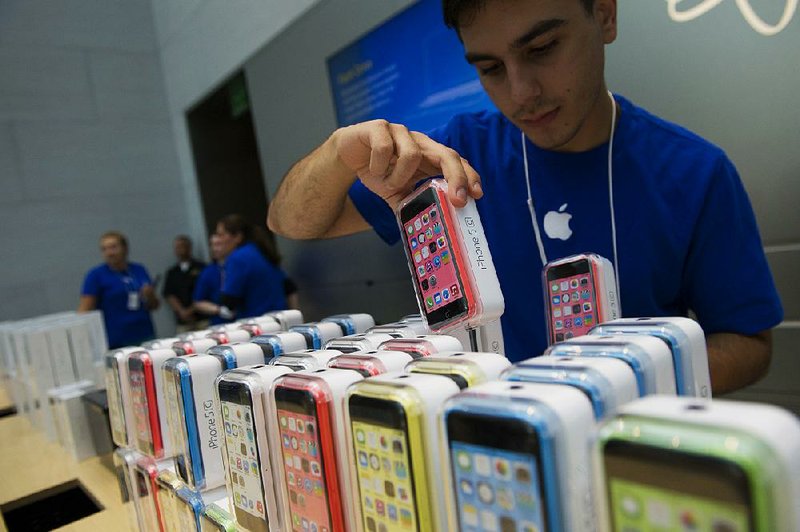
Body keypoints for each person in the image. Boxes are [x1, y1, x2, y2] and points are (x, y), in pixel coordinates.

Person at [266, 0, 783, 394]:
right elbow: (291, 222)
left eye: (541, 50)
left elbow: (749, 341)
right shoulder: (454, 155)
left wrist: (625, 382)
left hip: (630, 449)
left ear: (604, 15)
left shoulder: (694, 171)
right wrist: (338, 153)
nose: (520, 93)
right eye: (490, 68)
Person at [78, 231, 160, 348]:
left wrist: (150, 295)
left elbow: (154, 306)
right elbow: (84, 311)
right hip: (116, 339)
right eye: (104, 249)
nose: (109, 253)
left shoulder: (139, 269)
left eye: (113, 247)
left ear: (125, 248)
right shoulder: (96, 275)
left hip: (145, 334)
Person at [213, 214, 297, 320]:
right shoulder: (262, 251)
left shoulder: (237, 258)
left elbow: (229, 301)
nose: (218, 240)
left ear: (237, 237)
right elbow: (290, 288)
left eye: (221, 235)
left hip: (258, 323)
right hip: (281, 318)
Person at [162, 235, 206, 333]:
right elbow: (169, 294)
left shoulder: (202, 268)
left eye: (182, 246)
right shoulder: (172, 272)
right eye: (177, 247)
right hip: (182, 322)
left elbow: (206, 290)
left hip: (202, 318)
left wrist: (192, 309)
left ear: (189, 247)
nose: (180, 249)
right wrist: (182, 311)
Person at [193, 234, 229, 325]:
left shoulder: (239, 264)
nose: (214, 249)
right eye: (212, 245)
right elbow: (198, 302)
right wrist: (219, 310)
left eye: (218, 244)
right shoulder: (208, 272)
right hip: (220, 323)